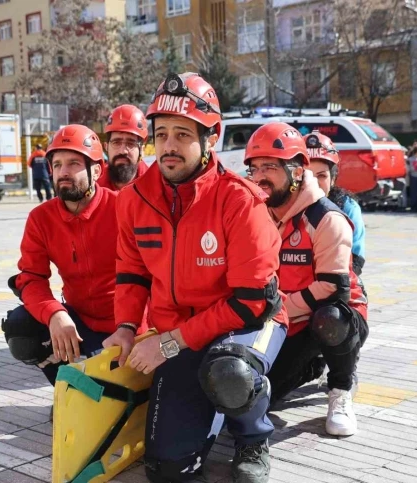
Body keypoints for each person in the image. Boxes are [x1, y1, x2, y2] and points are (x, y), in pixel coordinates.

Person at [103, 72, 285, 483]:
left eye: (183, 134)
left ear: (211, 138)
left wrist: (170, 343)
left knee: (229, 374)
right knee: (167, 469)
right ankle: (214, 407)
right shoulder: (134, 199)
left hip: (247, 326)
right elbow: (131, 272)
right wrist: (127, 327)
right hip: (179, 335)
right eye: (161, 133)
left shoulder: (240, 200)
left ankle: (253, 437)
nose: (168, 145)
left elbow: (248, 302)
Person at [244, 123, 368, 437]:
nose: (260, 177)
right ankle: (312, 366)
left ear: (298, 171)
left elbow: (332, 289)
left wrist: (277, 309)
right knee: (256, 395)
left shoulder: (327, 218)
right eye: (254, 168)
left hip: (334, 314)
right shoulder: (258, 211)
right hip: (286, 322)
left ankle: (340, 389)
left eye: (270, 167)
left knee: (330, 319)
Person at [1, 125, 139, 385]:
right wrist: (54, 314)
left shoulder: (123, 208)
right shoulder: (40, 218)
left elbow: (150, 275)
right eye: (57, 164)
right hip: (78, 321)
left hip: (128, 326)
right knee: (21, 327)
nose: (63, 172)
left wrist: (132, 327)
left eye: (74, 163)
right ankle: (68, 389)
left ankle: (92, 386)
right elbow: (31, 278)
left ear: (97, 170)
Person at [304, 130, 367, 275]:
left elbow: (356, 260)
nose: (312, 181)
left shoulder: (347, 207)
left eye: (321, 176)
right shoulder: (283, 207)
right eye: (306, 174)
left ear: (332, 179)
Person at [98, 105, 150, 191]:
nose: (123, 151)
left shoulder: (156, 186)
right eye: (116, 142)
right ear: (106, 147)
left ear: (142, 150)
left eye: (130, 143)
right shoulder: (94, 185)